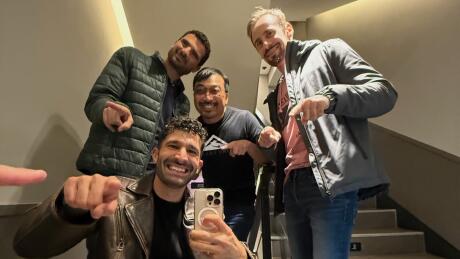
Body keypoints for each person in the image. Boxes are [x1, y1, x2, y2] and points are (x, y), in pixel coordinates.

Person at [247, 7, 398, 259]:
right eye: (258, 43)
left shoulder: (327, 51)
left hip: (328, 184)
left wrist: (330, 97)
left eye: (269, 33)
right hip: (292, 186)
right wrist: (273, 140)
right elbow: (300, 140)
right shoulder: (277, 92)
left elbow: (385, 93)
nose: (265, 45)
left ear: (288, 29)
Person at [14, 117, 254, 259]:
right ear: (156, 154)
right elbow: (27, 246)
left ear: (199, 165)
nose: (182, 157)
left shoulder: (204, 212)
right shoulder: (114, 197)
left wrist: (242, 256)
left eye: (191, 151)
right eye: (173, 146)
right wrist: (68, 210)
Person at [76, 30, 211, 179]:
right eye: (184, 43)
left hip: (146, 187)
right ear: (175, 42)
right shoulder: (130, 58)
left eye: (194, 54)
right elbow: (97, 98)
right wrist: (107, 111)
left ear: (195, 68)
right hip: (103, 175)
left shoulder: (183, 103)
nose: (185, 51)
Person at [192, 67, 268, 241]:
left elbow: (267, 160)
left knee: (223, 248)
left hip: (240, 207)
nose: (207, 97)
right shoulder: (195, 129)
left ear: (226, 96)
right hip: (208, 205)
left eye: (214, 91)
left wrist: (248, 146)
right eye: (200, 91)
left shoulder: (244, 119)